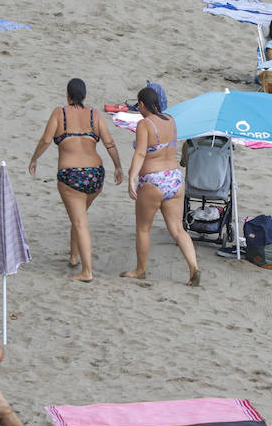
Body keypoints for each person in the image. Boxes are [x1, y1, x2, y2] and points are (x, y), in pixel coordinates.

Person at [28, 78, 123, 282]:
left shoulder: (59, 113)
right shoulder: (94, 114)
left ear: (67, 95)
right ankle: (73, 257)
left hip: (71, 175)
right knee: (79, 215)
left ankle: (87, 271)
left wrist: (34, 158)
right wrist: (118, 166)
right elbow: (109, 143)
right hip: (95, 175)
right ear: (85, 96)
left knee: (80, 221)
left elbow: (46, 139)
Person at [122, 86, 201, 286]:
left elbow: (140, 153)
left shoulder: (144, 124)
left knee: (143, 228)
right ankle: (193, 267)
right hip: (174, 177)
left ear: (141, 104)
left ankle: (140, 270)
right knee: (177, 229)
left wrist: (131, 177)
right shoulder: (171, 120)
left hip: (153, 179)